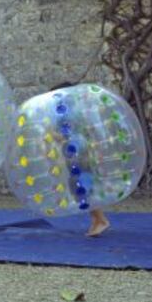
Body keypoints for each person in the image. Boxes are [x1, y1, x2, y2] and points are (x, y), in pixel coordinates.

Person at [50, 81, 110, 237]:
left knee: (82, 187)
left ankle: (100, 220)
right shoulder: (75, 111)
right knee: (80, 187)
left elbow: (66, 134)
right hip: (80, 152)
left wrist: (52, 135)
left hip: (77, 153)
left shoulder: (66, 113)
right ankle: (97, 220)